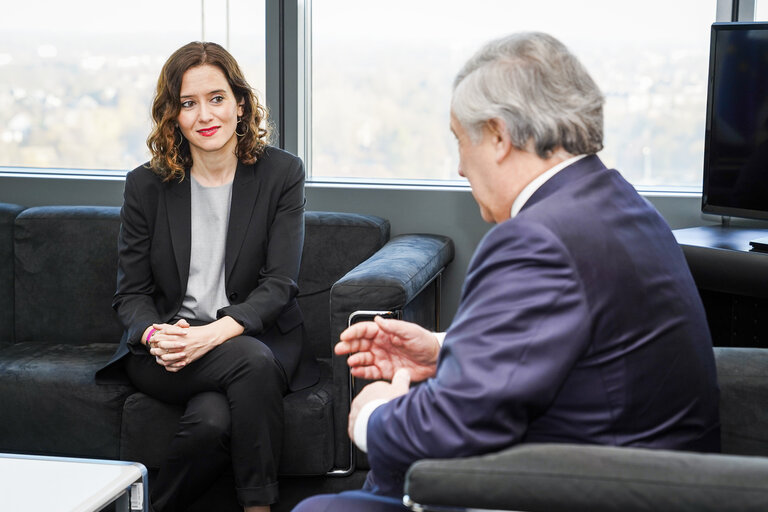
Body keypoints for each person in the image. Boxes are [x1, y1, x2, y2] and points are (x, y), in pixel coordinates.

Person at [293, 32, 720, 512]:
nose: (459, 167)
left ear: (498, 136)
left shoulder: (537, 239)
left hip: (586, 487)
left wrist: (374, 416)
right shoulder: (618, 202)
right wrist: (445, 348)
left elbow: (455, 426)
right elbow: (582, 347)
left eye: (460, 141)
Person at [96, 41, 319, 512]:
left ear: (240, 104)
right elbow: (132, 294)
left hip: (252, 336)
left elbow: (279, 284)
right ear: (173, 116)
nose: (205, 115)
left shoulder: (282, 173)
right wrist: (157, 334)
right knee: (249, 366)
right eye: (188, 103)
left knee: (214, 418)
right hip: (169, 345)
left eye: (216, 98)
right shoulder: (146, 185)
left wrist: (212, 335)